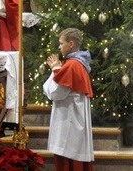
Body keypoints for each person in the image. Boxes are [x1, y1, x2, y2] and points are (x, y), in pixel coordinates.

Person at [43, 27, 94, 171]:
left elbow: (55, 93)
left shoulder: (71, 65)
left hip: (69, 122)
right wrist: (58, 70)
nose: (59, 47)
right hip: (73, 119)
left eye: (61, 43)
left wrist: (55, 69)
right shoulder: (78, 63)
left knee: (69, 160)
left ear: (71, 44)